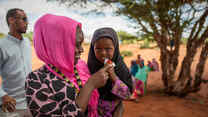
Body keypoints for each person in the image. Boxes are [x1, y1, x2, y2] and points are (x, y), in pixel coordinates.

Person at [25, 14, 111, 117]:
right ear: (56, 44)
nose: (82, 49)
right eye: (76, 44)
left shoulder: (80, 66)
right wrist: (90, 85)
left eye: (81, 44)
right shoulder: (36, 80)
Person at [87, 27, 133, 117]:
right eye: (98, 49)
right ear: (93, 49)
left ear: (115, 48)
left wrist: (114, 77)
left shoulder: (120, 68)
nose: (103, 53)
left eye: (108, 49)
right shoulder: (88, 68)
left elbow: (127, 95)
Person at [0, 8, 32, 117]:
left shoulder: (27, 42)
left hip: (30, 104)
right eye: (24, 19)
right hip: (10, 106)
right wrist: (3, 96)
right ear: (11, 20)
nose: (27, 22)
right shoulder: (1, 45)